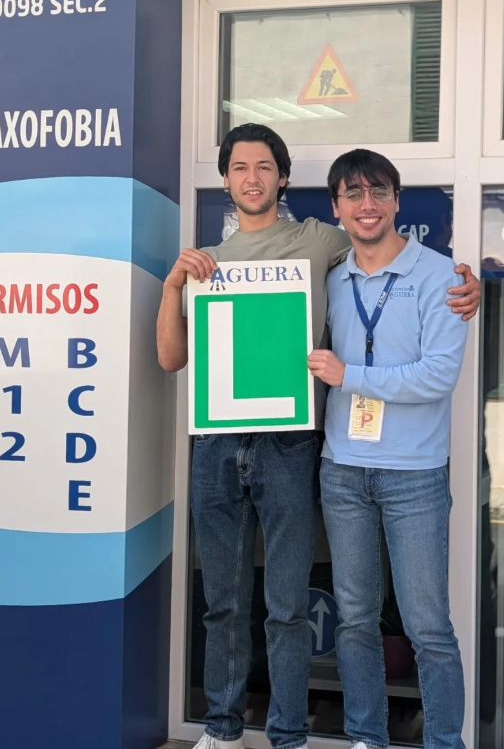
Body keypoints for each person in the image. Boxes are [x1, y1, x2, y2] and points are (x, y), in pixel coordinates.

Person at [156, 124, 480, 749]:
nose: (253, 178)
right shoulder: (208, 263)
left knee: (309, 610)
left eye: (265, 167)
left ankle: (294, 735)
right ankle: (235, 731)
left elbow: (405, 275)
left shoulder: (321, 244)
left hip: (303, 447)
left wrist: (472, 288)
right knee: (239, 602)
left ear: (282, 180)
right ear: (226, 179)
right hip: (241, 447)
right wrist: (173, 284)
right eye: (240, 167)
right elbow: (172, 358)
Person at [307, 149, 469, 749]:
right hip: (343, 470)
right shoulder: (331, 280)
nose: (366, 204)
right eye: (353, 194)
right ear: (336, 208)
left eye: (378, 192)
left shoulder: (444, 278)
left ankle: (444, 741)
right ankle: (365, 737)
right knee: (354, 621)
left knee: (428, 628)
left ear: (397, 200)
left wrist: (349, 375)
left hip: (415, 476)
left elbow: (436, 377)